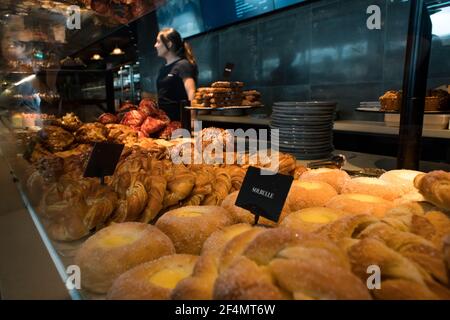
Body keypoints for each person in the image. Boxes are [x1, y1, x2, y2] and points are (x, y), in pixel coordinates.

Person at [154, 28, 198, 121]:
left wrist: (193, 118)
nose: (155, 45)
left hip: (180, 120)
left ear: (169, 44)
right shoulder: (163, 68)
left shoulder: (183, 64)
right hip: (165, 121)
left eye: (158, 42)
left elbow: (192, 92)